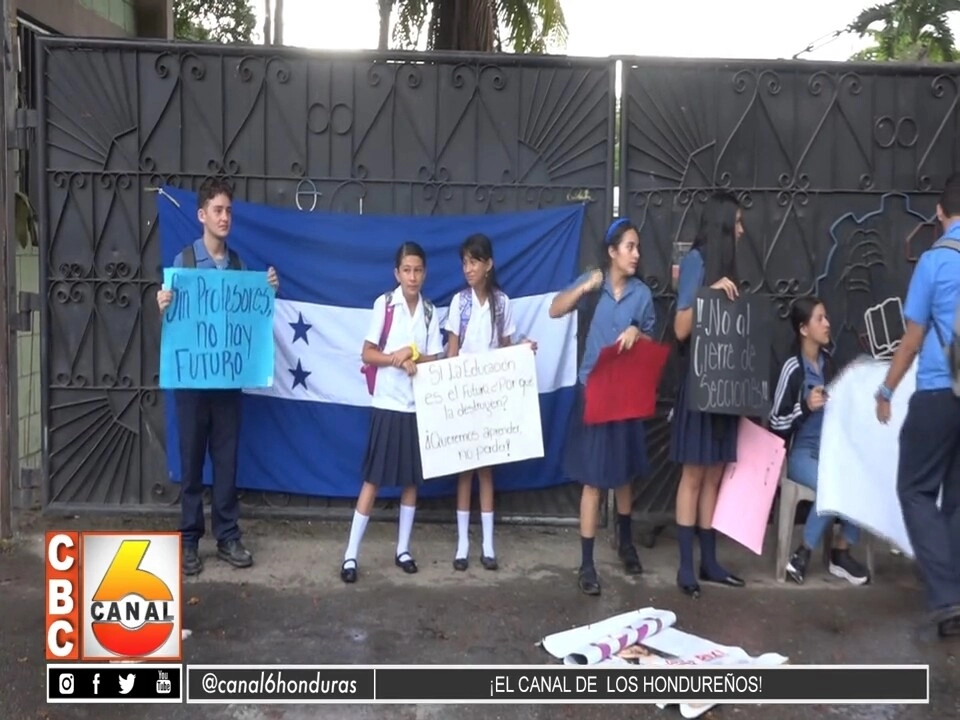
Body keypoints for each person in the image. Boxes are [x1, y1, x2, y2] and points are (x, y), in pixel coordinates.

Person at [156, 177, 280, 576]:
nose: (225, 217)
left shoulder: (240, 266)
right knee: (192, 462)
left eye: (229, 211)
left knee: (226, 462)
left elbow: (251, 322)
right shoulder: (185, 263)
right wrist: (164, 305)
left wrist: (267, 292)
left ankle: (227, 535)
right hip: (192, 384)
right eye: (218, 210)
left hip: (227, 383)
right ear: (201, 215)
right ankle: (189, 541)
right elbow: (175, 324)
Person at [549, 217, 656, 596]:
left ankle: (625, 543)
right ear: (612, 251)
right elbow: (554, 310)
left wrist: (637, 333)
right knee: (593, 480)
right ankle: (587, 563)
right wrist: (582, 289)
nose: (636, 254)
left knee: (624, 474)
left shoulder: (642, 295)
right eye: (630, 247)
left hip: (625, 395)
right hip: (593, 392)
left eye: (638, 248)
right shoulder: (592, 284)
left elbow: (652, 341)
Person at [875, 176, 960, 638]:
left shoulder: (935, 261)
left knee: (916, 490)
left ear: (939, 213)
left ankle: (947, 596)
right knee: (957, 499)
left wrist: (886, 390)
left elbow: (911, 341)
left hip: (938, 393)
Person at [340, 241, 444, 584]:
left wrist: (414, 359)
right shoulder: (384, 305)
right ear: (396, 273)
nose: (412, 277)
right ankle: (351, 555)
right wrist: (395, 358)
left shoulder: (430, 312)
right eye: (407, 270)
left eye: (418, 270)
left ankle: (403, 549)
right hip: (387, 403)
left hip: (417, 406)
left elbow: (434, 358)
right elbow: (368, 354)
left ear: (424, 273)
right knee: (374, 479)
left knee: (411, 480)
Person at [669, 190, 746, 599]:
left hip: (725, 384)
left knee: (715, 471)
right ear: (721, 225)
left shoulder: (729, 264)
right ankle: (686, 565)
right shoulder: (697, 262)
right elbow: (681, 328)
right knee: (695, 473)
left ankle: (710, 561)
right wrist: (708, 294)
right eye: (736, 222)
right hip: (701, 384)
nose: (741, 230)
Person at [444, 233, 536, 572]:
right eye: (465, 262)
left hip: (491, 397)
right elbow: (453, 350)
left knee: (486, 469)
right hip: (464, 396)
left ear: (488, 264)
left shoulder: (502, 303)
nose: (468, 268)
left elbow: (507, 348)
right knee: (465, 470)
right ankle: (462, 544)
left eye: (474, 261)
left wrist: (525, 350)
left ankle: (488, 543)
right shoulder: (459, 303)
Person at [769, 296, 870, 586]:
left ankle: (840, 550)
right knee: (835, 484)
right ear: (803, 329)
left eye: (826, 318)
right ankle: (805, 553)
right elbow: (776, 423)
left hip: (831, 452)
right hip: (802, 453)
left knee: (859, 478)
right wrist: (804, 407)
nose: (827, 324)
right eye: (820, 319)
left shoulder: (829, 365)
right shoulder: (793, 368)